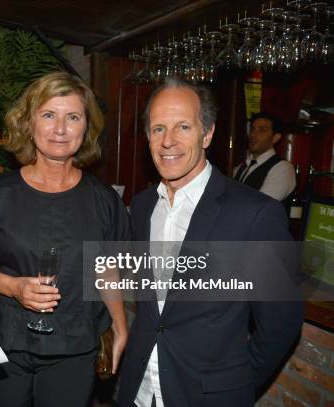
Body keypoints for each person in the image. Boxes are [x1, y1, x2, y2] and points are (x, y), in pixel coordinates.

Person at [117, 78, 303, 407]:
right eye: (158, 128)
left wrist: (235, 385)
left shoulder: (255, 214)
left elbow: (281, 325)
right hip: (140, 390)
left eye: (183, 127)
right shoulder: (144, 206)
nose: (168, 141)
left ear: (207, 134)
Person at [0, 71, 129, 407]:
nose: (60, 129)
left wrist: (119, 325)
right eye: (48, 115)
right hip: (5, 344)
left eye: (72, 117)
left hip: (74, 346)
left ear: (86, 127)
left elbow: (106, 267)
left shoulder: (103, 200)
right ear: (29, 124)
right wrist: (12, 287)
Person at [233, 112, 295, 201]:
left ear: (275, 138)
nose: (253, 134)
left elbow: (261, 204)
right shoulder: (241, 166)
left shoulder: (282, 169)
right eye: (252, 129)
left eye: (262, 130)